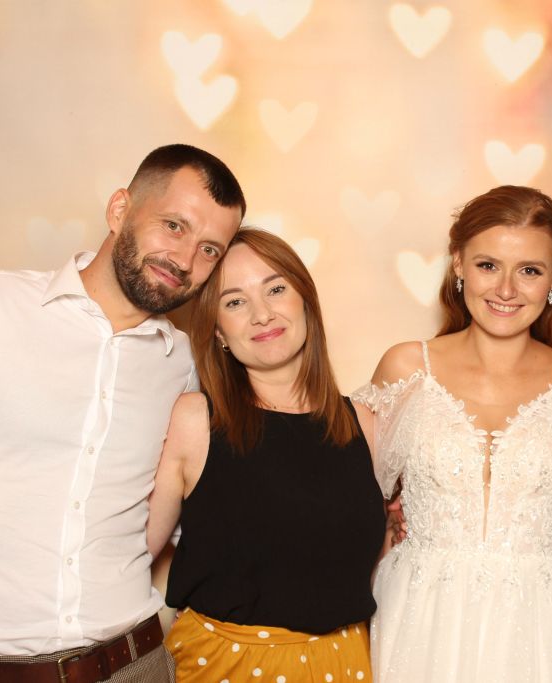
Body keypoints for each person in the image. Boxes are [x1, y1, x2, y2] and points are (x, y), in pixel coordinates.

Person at [0, 144, 245, 683]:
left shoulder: (185, 369)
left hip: (137, 664)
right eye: (173, 226)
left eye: (209, 249)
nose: (184, 260)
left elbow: (191, 521)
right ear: (120, 209)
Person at [353, 186, 552, 682]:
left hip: (548, 627)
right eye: (488, 265)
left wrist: (544, 541)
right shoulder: (407, 368)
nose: (506, 289)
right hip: (421, 618)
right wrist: (394, 518)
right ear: (458, 262)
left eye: (529, 270)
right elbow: (353, 491)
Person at [145, 228, 386, 682]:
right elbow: (130, 556)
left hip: (347, 664)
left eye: (275, 289)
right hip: (223, 666)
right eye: (235, 301)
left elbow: (377, 566)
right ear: (218, 331)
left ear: (305, 302)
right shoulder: (196, 421)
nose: (262, 314)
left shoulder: (365, 424)